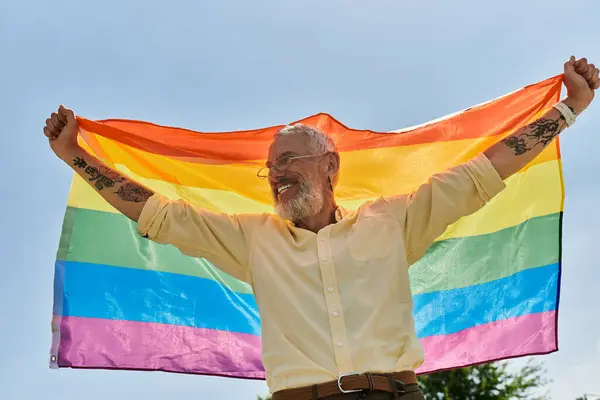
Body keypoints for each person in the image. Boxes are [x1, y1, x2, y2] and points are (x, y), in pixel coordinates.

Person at [44, 57, 598, 400]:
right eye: (271, 168)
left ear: (330, 166)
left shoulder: (394, 221)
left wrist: (569, 110)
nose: (277, 175)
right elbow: (155, 212)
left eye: (288, 161)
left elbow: (484, 170)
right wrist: (75, 158)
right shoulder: (251, 239)